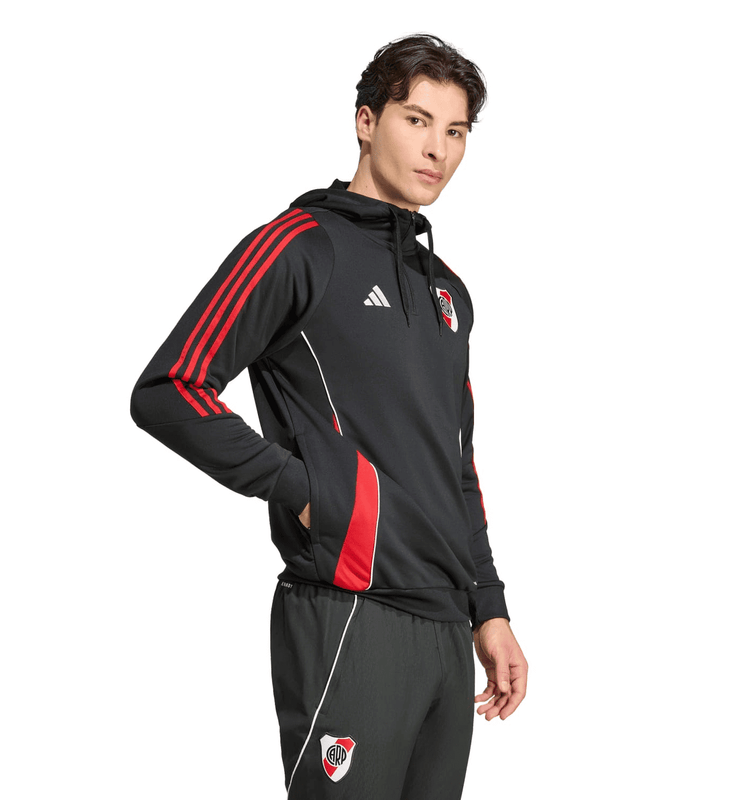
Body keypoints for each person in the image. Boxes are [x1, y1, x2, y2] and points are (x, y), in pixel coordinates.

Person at [131, 33, 527, 799]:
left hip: (447, 629)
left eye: (456, 131)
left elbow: (456, 463)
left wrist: (490, 608)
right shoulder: (298, 248)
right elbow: (169, 388)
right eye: (418, 121)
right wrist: (307, 491)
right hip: (350, 612)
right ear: (365, 122)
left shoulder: (448, 291)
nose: (438, 150)